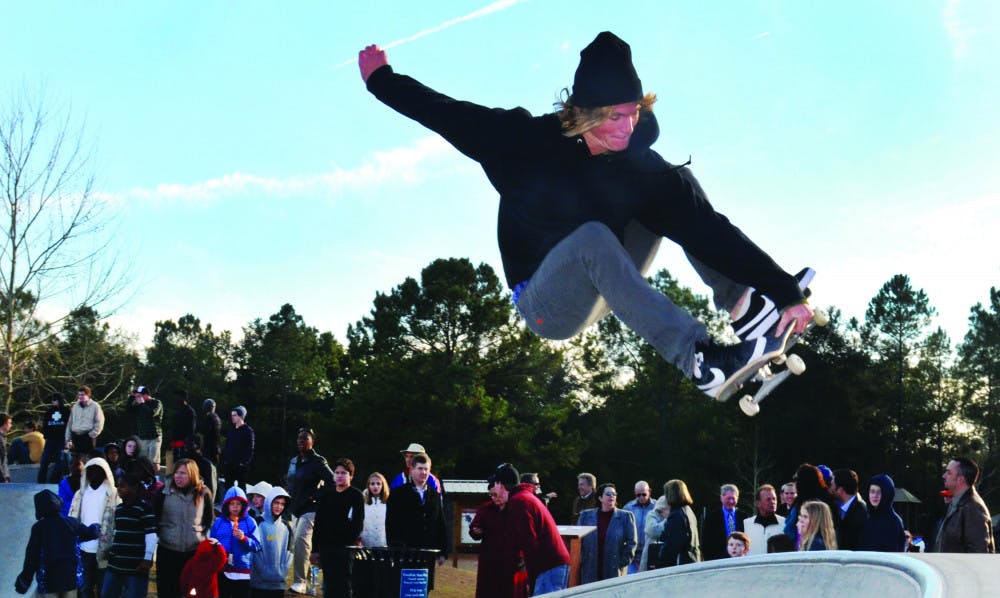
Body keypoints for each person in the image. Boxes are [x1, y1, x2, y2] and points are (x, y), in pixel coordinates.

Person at [357, 32, 814, 403]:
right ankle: (699, 360)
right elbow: (445, 114)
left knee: (677, 184)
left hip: (609, 275)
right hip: (545, 302)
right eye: (613, 118)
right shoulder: (521, 142)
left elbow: (708, 229)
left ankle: (745, 306)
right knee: (593, 237)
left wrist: (783, 289)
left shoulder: (635, 162)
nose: (626, 128)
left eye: (633, 114)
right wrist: (381, 79)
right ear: (583, 113)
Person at [493, 464, 571, 595]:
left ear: (500, 485)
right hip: (551, 565)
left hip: (549, 567)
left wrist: (531, 578)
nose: (493, 489)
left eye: (494, 484)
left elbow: (529, 541)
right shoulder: (523, 497)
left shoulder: (519, 502)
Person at [15, 489, 102, 596]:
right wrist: (97, 527)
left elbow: (32, 557)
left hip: (49, 581)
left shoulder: (39, 528)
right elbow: (89, 533)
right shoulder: (72, 523)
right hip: (71, 579)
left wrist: (24, 580)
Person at [155, 459, 215, 598]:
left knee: (191, 593)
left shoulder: (204, 493)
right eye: (176, 472)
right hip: (167, 552)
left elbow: (209, 520)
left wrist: (202, 541)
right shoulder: (163, 492)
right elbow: (155, 517)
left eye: (183, 473)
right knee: (167, 592)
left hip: (193, 552)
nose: (178, 476)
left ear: (192, 474)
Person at [286, 428, 335, 594]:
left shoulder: (318, 461)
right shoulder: (294, 461)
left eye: (305, 438)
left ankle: (300, 581)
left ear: (312, 441)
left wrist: (316, 496)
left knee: (301, 540)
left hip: (311, 508)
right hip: (296, 508)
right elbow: (291, 484)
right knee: (297, 545)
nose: (300, 441)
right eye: (299, 438)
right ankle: (308, 586)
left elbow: (333, 481)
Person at [469, 468, 530, 598]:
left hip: (513, 563)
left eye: (496, 495)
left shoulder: (516, 507)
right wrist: (476, 531)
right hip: (490, 563)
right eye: (491, 495)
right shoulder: (486, 509)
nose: (494, 498)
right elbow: (474, 529)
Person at [311, 457, 365, 598]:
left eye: (344, 473)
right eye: (337, 473)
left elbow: (357, 524)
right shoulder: (326, 495)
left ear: (351, 476)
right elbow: (319, 523)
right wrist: (315, 549)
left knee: (344, 585)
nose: (340, 476)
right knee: (329, 585)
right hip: (326, 548)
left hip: (346, 549)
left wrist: (347, 543)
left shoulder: (356, 496)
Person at [68, 456, 120, 598]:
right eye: (90, 471)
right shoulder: (80, 494)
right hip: (84, 548)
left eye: (98, 471)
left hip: (105, 549)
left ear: (105, 472)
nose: (93, 474)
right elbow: (72, 518)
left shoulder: (113, 493)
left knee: (105, 588)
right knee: (85, 588)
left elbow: (118, 521)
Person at [100, 473, 157, 598]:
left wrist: (147, 558)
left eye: (122, 486)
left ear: (134, 488)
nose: (118, 489)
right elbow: (117, 533)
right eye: (118, 486)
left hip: (136, 567)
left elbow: (151, 535)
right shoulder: (119, 509)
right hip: (115, 564)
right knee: (106, 594)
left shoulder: (144, 508)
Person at [385, 453, 448, 562]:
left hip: (428, 552)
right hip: (405, 552)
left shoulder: (435, 496)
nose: (423, 472)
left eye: (426, 469)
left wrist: (442, 551)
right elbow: (391, 523)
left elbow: (440, 523)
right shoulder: (398, 494)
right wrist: (395, 548)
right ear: (412, 470)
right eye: (420, 468)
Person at [210, 485, 263, 598]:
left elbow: (257, 545)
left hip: (243, 573)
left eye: (238, 504)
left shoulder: (250, 522)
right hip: (222, 571)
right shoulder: (219, 522)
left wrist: (244, 539)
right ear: (226, 505)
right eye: (232, 503)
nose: (235, 507)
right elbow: (211, 542)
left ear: (244, 505)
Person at [577, 483, 636, 584]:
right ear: (600, 498)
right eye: (608, 494)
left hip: (613, 569)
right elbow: (578, 542)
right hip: (590, 569)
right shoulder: (585, 516)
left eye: (614, 494)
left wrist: (620, 563)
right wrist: (583, 561)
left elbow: (632, 543)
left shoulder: (625, 517)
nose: (612, 496)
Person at [934, 457, 995, 553]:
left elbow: (979, 553)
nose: (944, 476)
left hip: (958, 568)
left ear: (960, 479)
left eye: (949, 473)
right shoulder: (957, 504)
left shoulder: (973, 508)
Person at [250, 486, 294, 598]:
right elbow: (254, 551)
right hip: (259, 583)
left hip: (279, 584)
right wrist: (264, 570)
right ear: (269, 502)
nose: (279, 506)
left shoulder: (286, 527)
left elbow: (290, 552)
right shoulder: (258, 523)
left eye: (282, 504)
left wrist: (282, 571)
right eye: (276, 502)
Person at [783, 464, 839, 543]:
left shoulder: (800, 503)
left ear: (801, 482)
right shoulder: (830, 501)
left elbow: (789, 530)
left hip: (806, 547)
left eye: (796, 479)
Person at [654, 479, 700, 568]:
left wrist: (660, 564)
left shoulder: (676, 515)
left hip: (680, 565)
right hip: (692, 560)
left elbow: (672, 546)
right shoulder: (689, 511)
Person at [858, 473, 906, 552]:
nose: (875, 495)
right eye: (872, 491)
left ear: (887, 494)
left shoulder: (893, 522)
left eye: (879, 492)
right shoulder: (866, 517)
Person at [702, 483, 748, 560]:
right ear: (721, 498)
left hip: (740, 559)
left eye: (733, 498)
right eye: (728, 498)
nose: (731, 501)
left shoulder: (744, 517)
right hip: (718, 560)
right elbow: (706, 542)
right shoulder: (711, 517)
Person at [742, 484, 785, 556]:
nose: (773, 502)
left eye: (774, 499)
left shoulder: (785, 524)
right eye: (768, 499)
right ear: (757, 503)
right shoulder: (746, 524)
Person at [623, 480, 656, 573]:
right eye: (638, 495)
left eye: (644, 494)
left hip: (651, 553)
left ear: (649, 491)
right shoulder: (628, 508)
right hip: (633, 555)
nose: (641, 497)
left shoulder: (657, 507)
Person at [830, 468, 868, 550]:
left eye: (832, 485)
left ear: (840, 490)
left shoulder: (860, 513)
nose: (830, 489)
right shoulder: (838, 509)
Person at [38, 393, 71, 483]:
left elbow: (69, 426)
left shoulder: (66, 412)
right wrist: (46, 436)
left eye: (55, 400)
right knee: (44, 461)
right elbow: (45, 425)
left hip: (62, 440)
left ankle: (54, 479)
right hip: (50, 440)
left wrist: (68, 439)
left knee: (60, 461)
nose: (53, 402)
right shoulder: (49, 412)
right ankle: (41, 480)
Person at [126, 386, 163, 467]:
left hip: (154, 436)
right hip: (143, 437)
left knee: (154, 462)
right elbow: (128, 410)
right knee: (142, 461)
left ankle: (155, 478)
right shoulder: (139, 405)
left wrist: (142, 404)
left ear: (146, 395)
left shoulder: (157, 403)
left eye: (140, 395)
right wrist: (132, 397)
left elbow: (151, 413)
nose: (138, 398)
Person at [65, 386, 105, 456]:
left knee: (88, 458)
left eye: (82, 395)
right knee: (75, 460)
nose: (80, 396)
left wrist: (92, 434)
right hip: (75, 437)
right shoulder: (75, 406)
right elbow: (70, 422)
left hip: (88, 437)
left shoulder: (95, 406)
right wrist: (68, 438)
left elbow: (100, 421)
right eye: (79, 395)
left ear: (88, 395)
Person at [221, 406, 254, 489]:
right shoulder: (232, 430)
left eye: (235, 415)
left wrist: (244, 463)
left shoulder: (248, 431)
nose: (232, 417)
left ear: (241, 416)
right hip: (229, 464)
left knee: (241, 487)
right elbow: (227, 446)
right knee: (228, 486)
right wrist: (225, 459)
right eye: (232, 415)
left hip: (240, 466)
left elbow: (250, 449)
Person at [186, 433, 218, 502]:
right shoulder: (184, 462)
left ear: (197, 446)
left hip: (201, 501)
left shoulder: (206, 465)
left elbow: (210, 489)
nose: (186, 447)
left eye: (190, 444)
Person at [360, 472, 389, 547]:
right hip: (366, 545)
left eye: (378, 484)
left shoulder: (389, 503)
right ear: (368, 485)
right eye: (372, 484)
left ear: (383, 485)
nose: (375, 486)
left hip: (384, 545)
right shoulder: (362, 503)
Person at [169, 390, 197, 465]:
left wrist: (187, 443)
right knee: (175, 462)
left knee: (182, 462)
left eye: (178, 397)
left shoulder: (190, 411)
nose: (176, 399)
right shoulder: (177, 410)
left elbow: (191, 429)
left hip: (183, 443)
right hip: (175, 442)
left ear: (183, 398)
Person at [201, 398, 223, 466]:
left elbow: (206, 431)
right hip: (216, 447)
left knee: (208, 467)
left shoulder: (209, 417)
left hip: (209, 447)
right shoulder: (217, 418)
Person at [0, 412, 11, 482]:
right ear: (4, 424)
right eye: (9, 423)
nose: (11, 425)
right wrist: (4, 477)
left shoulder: (3, 437)